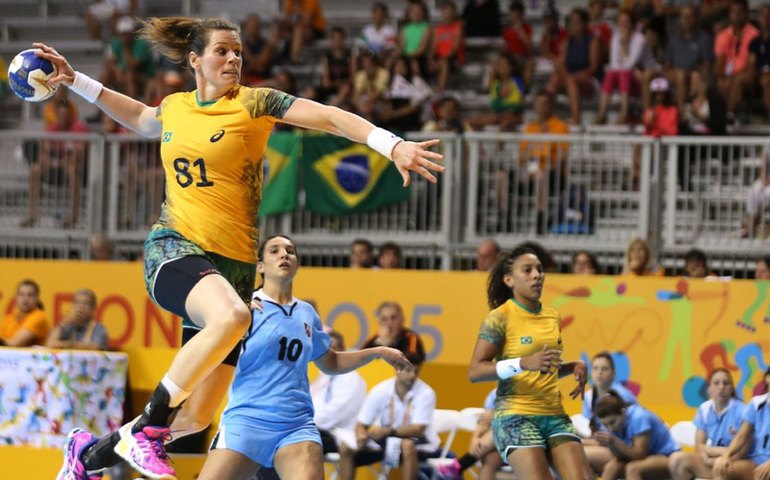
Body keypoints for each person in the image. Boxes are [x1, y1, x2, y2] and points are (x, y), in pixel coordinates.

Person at [43, 15, 443, 480]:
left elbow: (331, 117)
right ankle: (146, 431)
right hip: (176, 248)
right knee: (233, 318)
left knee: (194, 419)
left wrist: (389, 144)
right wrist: (77, 81)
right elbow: (138, 116)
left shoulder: (255, 103)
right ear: (195, 60)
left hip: (231, 270)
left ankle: (86, 458)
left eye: (238, 52)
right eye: (222, 51)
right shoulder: (175, 106)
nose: (233, 58)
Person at [190, 235, 410, 480]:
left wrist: (378, 352)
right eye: (274, 250)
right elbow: (200, 335)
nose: (284, 254)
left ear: (296, 264)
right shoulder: (243, 308)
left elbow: (332, 362)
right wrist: (231, 312)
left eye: (290, 251)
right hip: (247, 422)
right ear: (260, 266)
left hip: (296, 427)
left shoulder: (307, 313)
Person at [468, 246, 593, 480]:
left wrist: (572, 366)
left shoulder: (552, 316)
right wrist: (523, 363)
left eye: (539, 269)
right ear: (509, 280)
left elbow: (543, 367)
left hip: (554, 414)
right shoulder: (499, 317)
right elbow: (475, 371)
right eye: (527, 270)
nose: (537, 275)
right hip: (515, 416)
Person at [337, 353, 440, 480]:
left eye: (416, 371)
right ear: (397, 370)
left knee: (407, 444)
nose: (412, 375)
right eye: (408, 370)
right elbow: (361, 423)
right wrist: (361, 436)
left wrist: (387, 431)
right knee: (346, 446)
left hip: (418, 441)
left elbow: (418, 430)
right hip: (387, 438)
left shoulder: (426, 393)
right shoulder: (380, 390)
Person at [668, 368, 744, 480]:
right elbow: (699, 446)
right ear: (709, 389)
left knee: (721, 469)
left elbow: (740, 453)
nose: (721, 387)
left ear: (732, 388)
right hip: (710, 461)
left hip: (734, 463)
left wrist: (711, 452)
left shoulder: (743, 411)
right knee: (676, 460)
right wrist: (708, 458)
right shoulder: (705, 408)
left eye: (726, 383)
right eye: (716, 383)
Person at [591, 391, 680, 480]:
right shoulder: (612, 423)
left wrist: (614, 441)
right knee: (612, 467)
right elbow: (620, 455)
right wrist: (611, 443)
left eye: (612, 422)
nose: (610, 428)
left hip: (668, 457)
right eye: (606, 425)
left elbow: (639, 454)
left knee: (633, 469)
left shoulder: (639, 417)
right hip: (648, 456)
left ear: (622, 412)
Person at [309, 330, 367, 454]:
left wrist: (305, 420)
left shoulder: (351, 378)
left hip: (339, 435)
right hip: (317, 429)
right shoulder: (324, 375)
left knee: (292, 442)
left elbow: (335, 413)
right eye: (326, 350)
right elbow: (309, 400)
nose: (329, 354)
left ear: (343, 350)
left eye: (333, 349)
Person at [437, 389, 503, 480]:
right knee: (490, 459)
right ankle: (460, 465)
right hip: (499, 446)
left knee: (504, 427)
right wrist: (475, 438)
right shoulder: (495, 394)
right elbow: (484, 421)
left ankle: (461, 464)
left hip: (523, 442)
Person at [712, 386, 770, 480]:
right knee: (723, 470)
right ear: (767, 378)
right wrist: (726, 456)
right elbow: (742, 436)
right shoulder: (756, 403)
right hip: (756, 463)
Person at [360, 301, 425, 363]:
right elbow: (360, 358)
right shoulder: (374, 340)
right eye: (384, 319)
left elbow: (414, 358)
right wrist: (383, 343)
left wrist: (390, 344)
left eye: (393, 318)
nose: (389, 323)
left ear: (402, 319)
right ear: (380, 322)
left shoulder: (411, 337)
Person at [0, 279, 49, 347]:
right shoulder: (10, 318)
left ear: (37, 299)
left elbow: (13, 343)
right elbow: (2, 340)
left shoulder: (39, 317)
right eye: (21, 295)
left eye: (30, 295)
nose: (25, 299)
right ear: (16, 297)